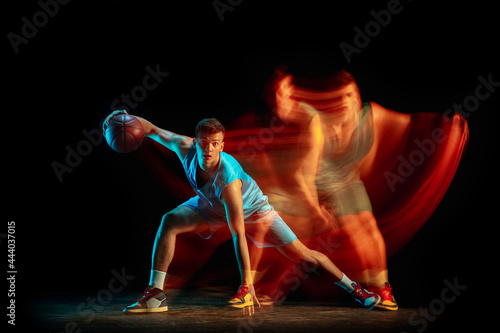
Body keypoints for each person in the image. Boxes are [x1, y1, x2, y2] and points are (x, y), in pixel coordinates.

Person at [102, 110, 381, 315]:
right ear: (196, 140)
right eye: (203, 142)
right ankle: (155, 295)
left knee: (305, 256)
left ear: (222, 145)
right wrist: (124, 118)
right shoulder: (184, 147)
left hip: (254, 212)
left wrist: (247, 285)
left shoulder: (228, 178)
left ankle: (356, 289)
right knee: (170, 221)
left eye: (215, 144)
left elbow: (238, 233)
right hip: (210, 206)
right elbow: (150, 130)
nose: (208, 148)